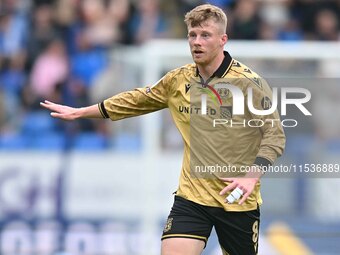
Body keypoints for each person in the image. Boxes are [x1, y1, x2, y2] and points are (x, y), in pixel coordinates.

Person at [41, 4, 285, 255]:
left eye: (205, 35)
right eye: (192, 35)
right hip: (192, 198)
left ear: (223, 40)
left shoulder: (248, 84)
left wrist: (251, 176)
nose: (197, 42)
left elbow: (275, 136)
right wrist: (82, 111)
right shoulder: (178, 80)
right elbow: (135, 100)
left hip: (237, 201)